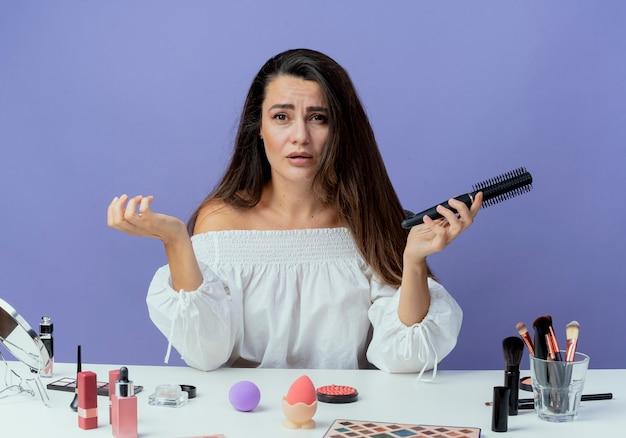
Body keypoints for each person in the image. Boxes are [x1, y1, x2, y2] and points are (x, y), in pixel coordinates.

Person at [107, 48, 482, 376]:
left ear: (339, 130)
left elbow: (405, 359)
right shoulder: (219, 222)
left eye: (318, 117)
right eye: (282, 117)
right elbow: (206, 352)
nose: (300, 136)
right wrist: (175, 240)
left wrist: (414, 261)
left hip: (346, 416)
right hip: (245, 421)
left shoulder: (368, 222)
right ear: (258, 127)